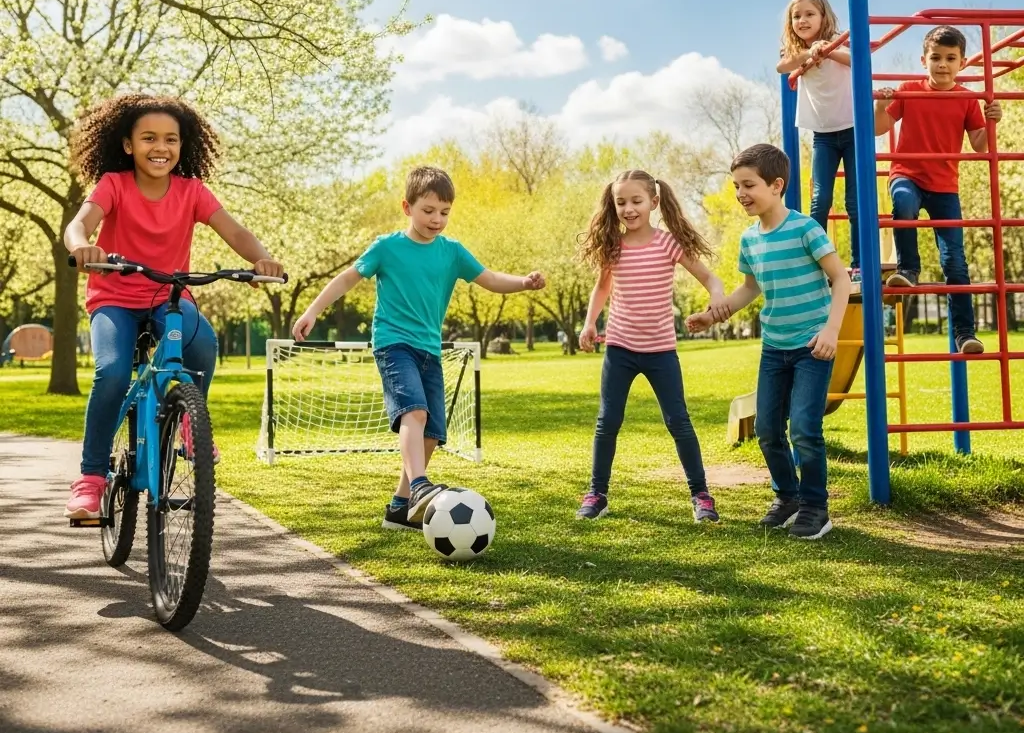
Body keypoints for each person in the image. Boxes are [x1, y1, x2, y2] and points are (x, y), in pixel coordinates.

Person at [63, 94, 284, 520]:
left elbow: (234, 232)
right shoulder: (114, 184)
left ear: (183, 146)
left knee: (202, 345)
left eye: (171, 139)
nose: (160, 147)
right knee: (111, 372)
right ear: (128, 145)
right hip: (115, 299)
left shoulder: (192, 192)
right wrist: (83, 247)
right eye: (148, 138)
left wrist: (261, 259)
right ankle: (90, 479)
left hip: (169, 297)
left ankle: (189, 419)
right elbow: (80, 224)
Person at [292, 165, 544, 531]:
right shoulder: (387, 247)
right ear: (407, 207)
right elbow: (348, 277)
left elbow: (489, 279)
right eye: (428, 211)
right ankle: (421, 486)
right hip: (393, 344)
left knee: (432, 432)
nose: (437, 219)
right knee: (415, 412)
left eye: (444, 212)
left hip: (430, 349)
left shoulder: (452, 252)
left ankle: (400, 506)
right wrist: (313, 311)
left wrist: (523, 282)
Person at [687, 144, 851, 540]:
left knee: (806, 430)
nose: (741, 193)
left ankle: (815, 507)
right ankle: (787, 497)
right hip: (774, 347)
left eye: (749, 185)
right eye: (736, 186)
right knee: (767, 429)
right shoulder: (749, 239)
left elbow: (842, 279)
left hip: (813, 344)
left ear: (776, 185)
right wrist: (714, 314)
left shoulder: (805, 229)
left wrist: (830, 331)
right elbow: (750, 288)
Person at [574, 170, 729, 524]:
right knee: (607, 421)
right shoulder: (613, 246)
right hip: (620, 349)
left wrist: (716, 294)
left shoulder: (668, 243)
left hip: (661, 351)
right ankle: (597, 493)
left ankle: (701, 495)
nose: (628, 209)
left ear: (654, 202)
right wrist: (589, 323)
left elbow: (709, 277)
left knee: (679, 421)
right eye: (621, 202)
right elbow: (602, 288)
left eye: (636, 201)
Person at [875, 25, 1001, 354]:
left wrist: (991, 121)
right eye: (935, 58)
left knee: (955, 261)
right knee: (902, 205)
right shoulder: (909, 90)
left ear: (961, 63)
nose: (942, 64)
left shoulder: (967, 99)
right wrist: (880, 105)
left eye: (950, 58)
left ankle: (965, 334)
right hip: (908, 174)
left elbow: (978, 145)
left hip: (945, 185)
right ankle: (908, 269)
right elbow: (878, 128)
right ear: (923, 60)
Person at [776, 0, 860, 282]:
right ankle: (819, 262)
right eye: (796, 16)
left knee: (854, 201)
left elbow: (857, 59)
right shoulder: (794, 51)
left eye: (809, 14)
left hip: (853, 130)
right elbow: (782, 66)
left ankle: (859, 263)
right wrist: (807, 54)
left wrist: (827, 50)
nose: (802, 20)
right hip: (823, 135)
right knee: (819, 199)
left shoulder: (839, 40)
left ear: (823, 17)